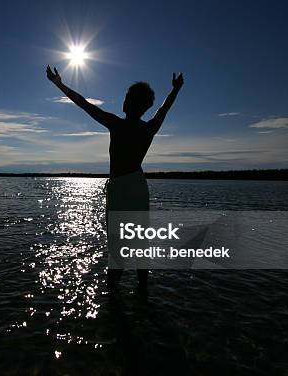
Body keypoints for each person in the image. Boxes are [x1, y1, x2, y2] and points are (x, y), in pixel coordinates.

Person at [46, 65, 184, 292]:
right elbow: (164, 108)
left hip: (121, 187)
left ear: (128, 103)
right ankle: (142, 292)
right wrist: (176, 90)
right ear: (145, 106)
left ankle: (113, 297)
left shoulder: (117, 124)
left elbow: (84, 104)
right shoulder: (149, 127)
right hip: (138, 186)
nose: (124, 101)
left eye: (127, 98)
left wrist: (58, 84)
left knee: (118, 246)